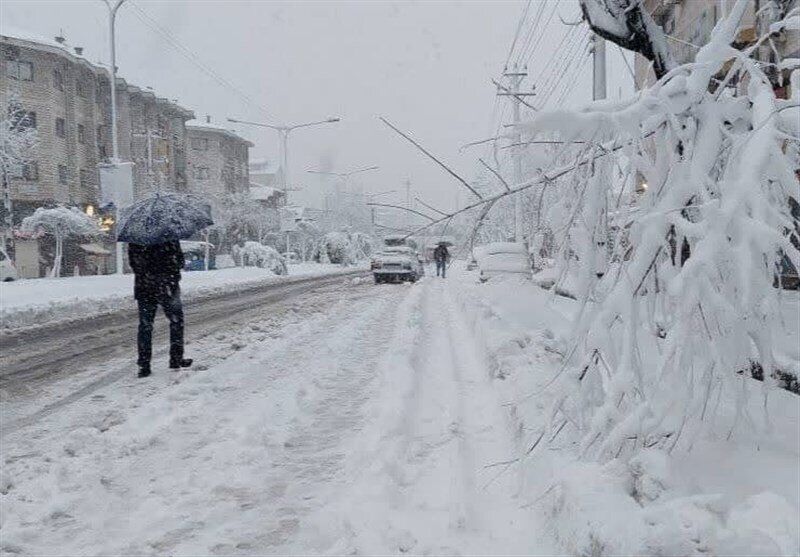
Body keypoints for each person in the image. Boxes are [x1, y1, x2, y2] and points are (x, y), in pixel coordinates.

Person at [129, 240, 192, 378]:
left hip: (144, 288)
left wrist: (147, 273)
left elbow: (134, 264)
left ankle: (144, 365)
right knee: (176, 321)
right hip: (167, 286)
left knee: (145, 326)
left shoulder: (137, 239)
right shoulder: (169, 237)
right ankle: (176, 358)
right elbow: (179, 262)